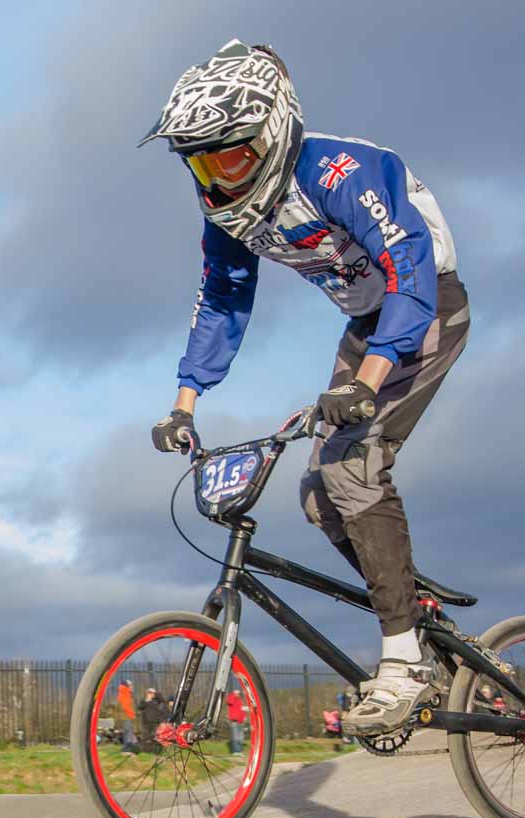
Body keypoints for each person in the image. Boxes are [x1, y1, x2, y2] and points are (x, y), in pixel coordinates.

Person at [141, 39, 470, 738]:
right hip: (368, 328)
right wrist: (183, 403)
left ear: (274, 132)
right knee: (318, 496)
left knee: (351, 468)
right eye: (200, 163)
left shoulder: (341, 171)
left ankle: (404, 659)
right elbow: (222, 297)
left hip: (425, 310)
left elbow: (409, 267)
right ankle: (414, 613)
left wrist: (368, 381)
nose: (217, 179)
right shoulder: (230, 213)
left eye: (230, 158)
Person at [117, 680, 139, 754]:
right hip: (126, 717)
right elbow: (126, 707)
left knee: (129, 733)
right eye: (130, 685)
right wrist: (132, 715)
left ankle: (129, 749)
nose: (132, 687)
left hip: (127, 717)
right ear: (127, 686)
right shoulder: (125, 693)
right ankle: (126, 750)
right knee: (128, 733)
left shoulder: (126, 693)